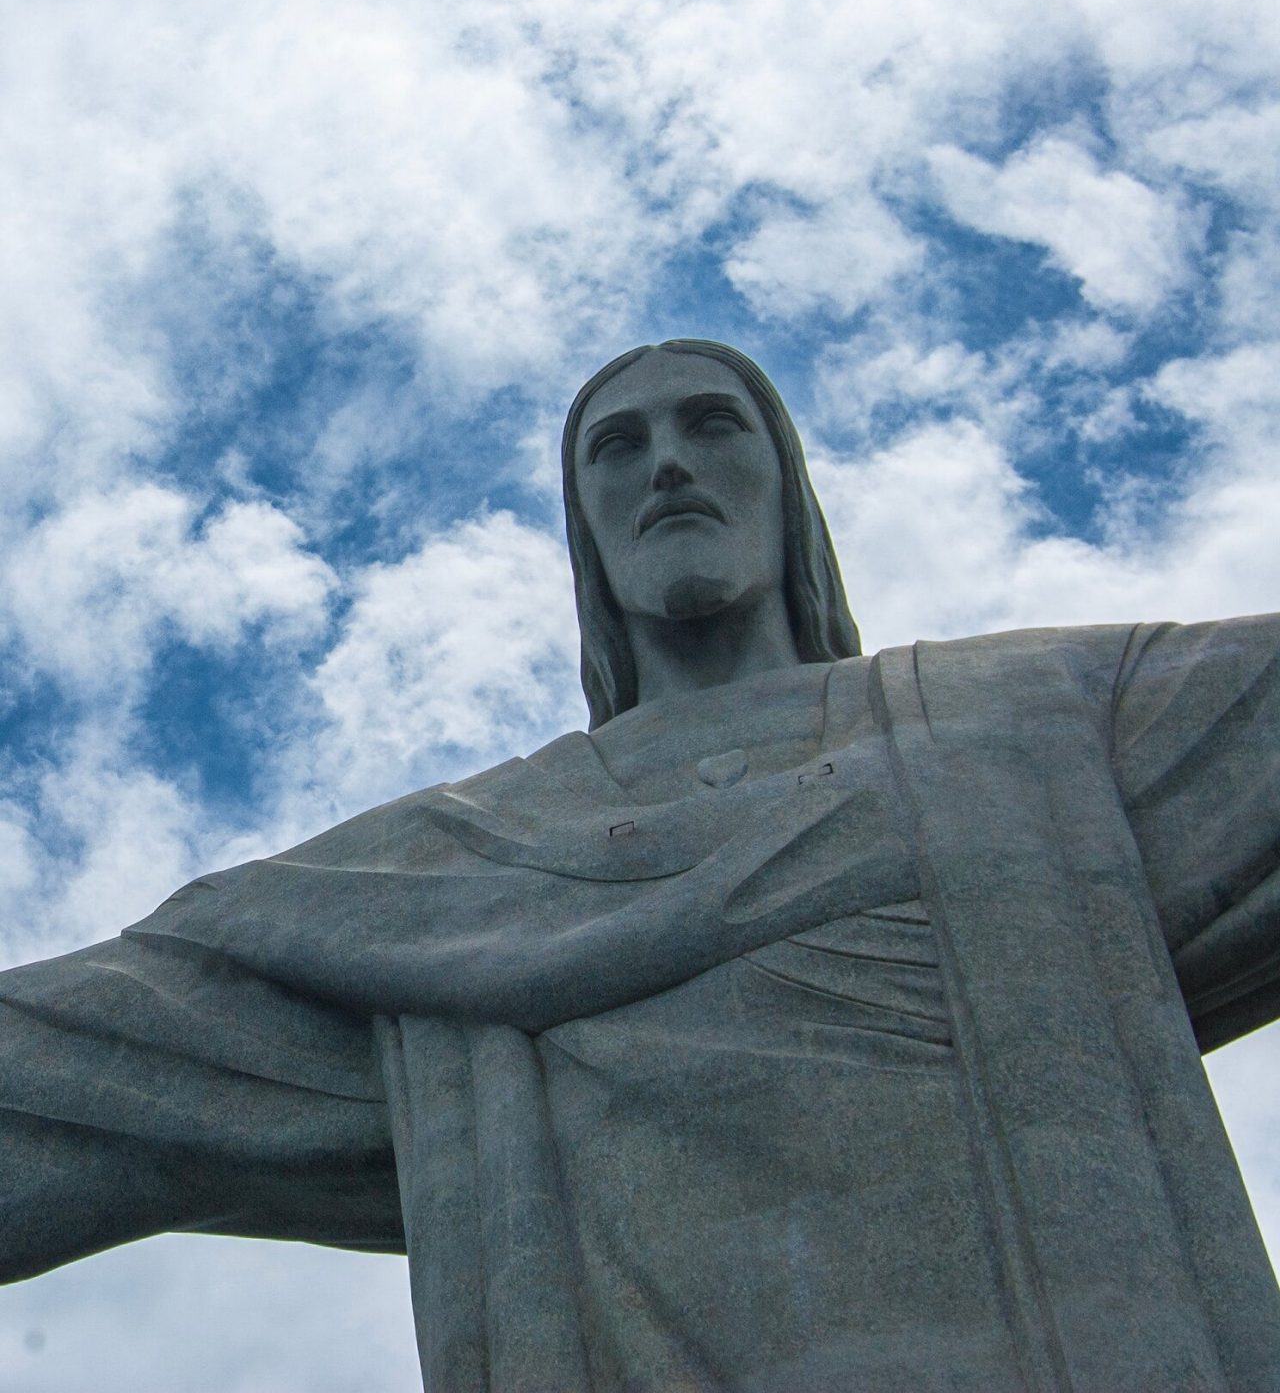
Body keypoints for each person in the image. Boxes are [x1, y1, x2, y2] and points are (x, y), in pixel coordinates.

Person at [2, 338, 1279, 1392]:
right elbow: (64, 1066)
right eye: (616, 448)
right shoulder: (428, 872)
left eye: (711, 425)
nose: (666, 463)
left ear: (786, 490)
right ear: (585, 535)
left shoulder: (1032, 717)